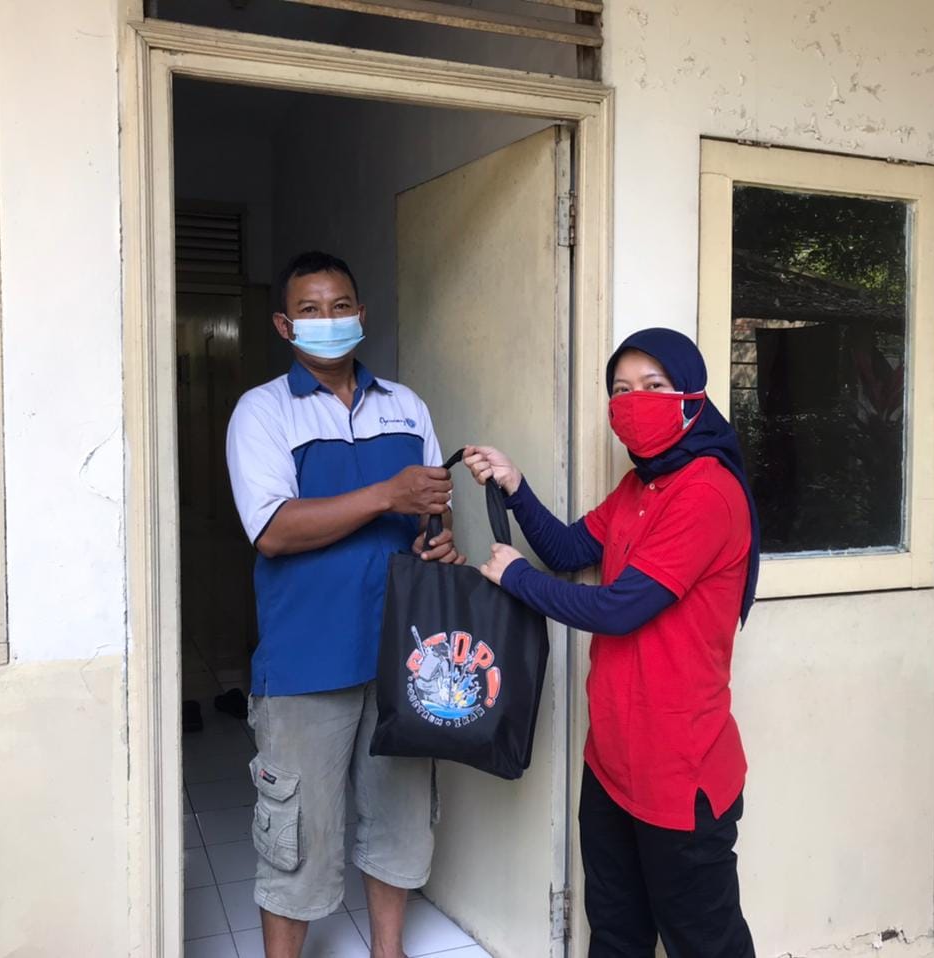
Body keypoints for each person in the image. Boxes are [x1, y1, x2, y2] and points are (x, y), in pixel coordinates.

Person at [463, 328, 760, 958]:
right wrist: (516, 488)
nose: (634, 400)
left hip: (680, 774)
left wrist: (516, 579)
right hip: (612, 763)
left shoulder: (706, 492)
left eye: (653, 385)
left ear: (692, 395)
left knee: (706, 944)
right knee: (617, 936)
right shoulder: (639, 487)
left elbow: (620, 609)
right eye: (621, 390)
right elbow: (570, 550)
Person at [226, 251, 463, 958]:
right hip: (306, 661)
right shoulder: (263, 411)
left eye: (339, 307)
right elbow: (273, 531)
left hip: (403, 657)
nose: (327, 321)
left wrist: (437, 539)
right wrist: (387, 494)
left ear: (361, 314)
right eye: (309, 309)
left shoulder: (406, 406)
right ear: (284, 325)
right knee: (297, 837)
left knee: (399, 821)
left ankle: (388, 951)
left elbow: (431, 512)